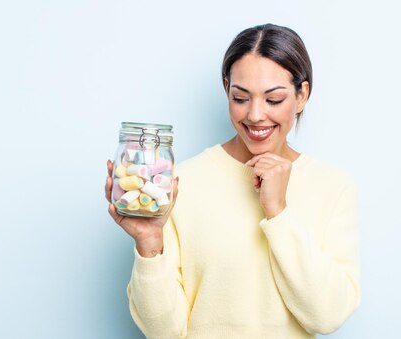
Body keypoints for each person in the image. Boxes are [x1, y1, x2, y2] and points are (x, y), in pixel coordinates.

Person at [104, 23, 360, 339]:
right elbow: (165, 332)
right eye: (240, 97)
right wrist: (148, 242)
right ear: (227, 89)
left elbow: (327, 316)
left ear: (302, 94)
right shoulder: (181, 182)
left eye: (274, 100)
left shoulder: (331, 186)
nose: (255, 115)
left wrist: (278, 213)